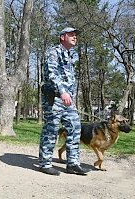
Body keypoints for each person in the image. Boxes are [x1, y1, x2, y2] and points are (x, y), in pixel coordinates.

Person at [38, 27, 87, 176]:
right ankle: (45, 163)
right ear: (62, 37)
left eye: (75, 35)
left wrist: (70, 94)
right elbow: (51, 73)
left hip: (67, 99)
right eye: (71, 34)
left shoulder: (70, 55)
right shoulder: (54, 52)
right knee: (51, 129)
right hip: (54, 97)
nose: (75, 37)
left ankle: (72, 163)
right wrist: (62, 91)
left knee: (75, 126)